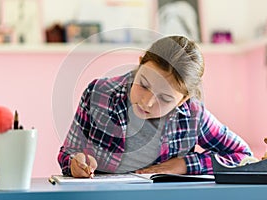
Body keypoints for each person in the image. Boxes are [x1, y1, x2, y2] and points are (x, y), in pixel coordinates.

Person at [58, 35, 252, 178]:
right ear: (141, 62)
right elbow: (68, 152)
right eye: (143, 85)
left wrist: (185, 164)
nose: (147, 102)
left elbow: (243, 157)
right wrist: (75, 164)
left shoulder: (193, 114)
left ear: (182, 100)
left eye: (165, 98)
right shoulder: (98, 94)